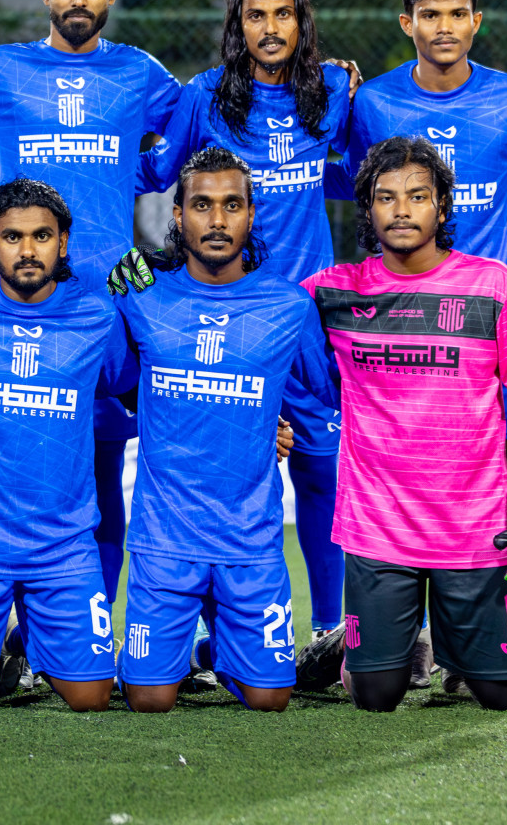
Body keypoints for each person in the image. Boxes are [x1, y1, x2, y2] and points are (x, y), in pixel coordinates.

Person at [338, 0, 507, 689]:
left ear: (477, 19)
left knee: (506, 475)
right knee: (406, 471)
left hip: (492, 326)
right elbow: (348, 196)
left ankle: (499, 639)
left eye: (456, 14)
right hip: (404, 326)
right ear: (406, 24)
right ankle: (400, 640)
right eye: (429, 15)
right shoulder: (372, 104)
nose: (444, 28)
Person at [0, 0, 182, 649]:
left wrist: (135, 196)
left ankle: (80, 631)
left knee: (97, 468)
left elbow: (186, 139)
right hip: (15, 304)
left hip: (106, 305)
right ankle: (2, 634)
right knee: (11, 469)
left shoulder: (142, 73)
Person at [298, 136, 507, 713]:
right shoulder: (333, 291)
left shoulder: (492, 285)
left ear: (443, 207)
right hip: (377, 525)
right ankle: (350, 647)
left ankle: (448, 633)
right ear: (367, 209)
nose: (401, 209)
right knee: (376, 695)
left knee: (500, 694)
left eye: (417, 196)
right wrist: (167, 270)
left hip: (472, 527)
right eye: (385, 197)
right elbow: (254, 310)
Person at [130, 0, 353, 644]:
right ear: (238, 27)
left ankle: (329, 629)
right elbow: (156, 177)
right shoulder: (203, 98)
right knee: (214, 476)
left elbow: (357, 177)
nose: (270, 27)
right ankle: (205, 630)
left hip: (306, 319)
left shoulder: (335, 91)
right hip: (220, 312)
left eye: (282, 14)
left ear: (301, 22)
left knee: (321, 472)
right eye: (255, 16)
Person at [115, 147, 336, 713]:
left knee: (270, 700)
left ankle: (219, 650)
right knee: (148, 700)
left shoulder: (289, 305)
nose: (217, 221)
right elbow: (115, 384)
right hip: (165, 538)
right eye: (202, 205)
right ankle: (173, 650)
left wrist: (277, 426)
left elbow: (330, 396)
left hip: (250, 540)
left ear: (252, 214)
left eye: (232, 205)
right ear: (178, 216)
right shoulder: (141, 299)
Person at [0, 178, 134, 714]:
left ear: (63, 243)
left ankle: (19, 643)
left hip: (62, 545)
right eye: (12, 237)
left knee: (92, 700)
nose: (28, 249)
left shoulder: (98, 315)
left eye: (42, 236)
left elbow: (139, 388)